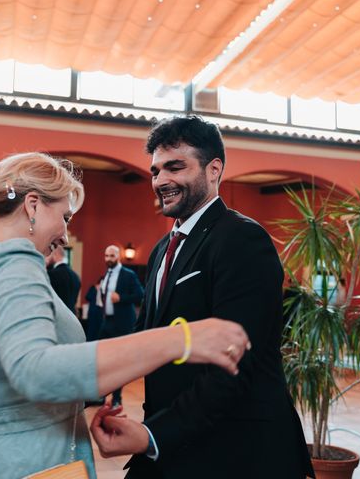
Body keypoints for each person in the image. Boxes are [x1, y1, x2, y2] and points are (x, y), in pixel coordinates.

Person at [0, 152, 250, 479]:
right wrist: (181, 339)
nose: (63, 234)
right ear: (32, 205)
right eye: (65, 217)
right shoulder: (12, 258)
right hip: (19, 463)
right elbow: (36, 369)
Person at [90, 116, 314, 478]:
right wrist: (78, 384)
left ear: (214, 170)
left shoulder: (242, 239)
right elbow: (142, 337)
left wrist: (152, 436)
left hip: (236, 449)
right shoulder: (164, 248)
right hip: (175, 441)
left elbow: (234, 363)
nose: (161, 180)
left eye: (175, 167)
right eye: (155, 170)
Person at [97, 245, 144, 406]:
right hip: (106, 322)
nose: (108, 259)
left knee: (118, 362)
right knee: (102, 360)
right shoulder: (107, 274)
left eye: (111, 256)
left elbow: (140, 294)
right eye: (106, 255)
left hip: (122, 323)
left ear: (118, 257)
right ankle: (101, 396)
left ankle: (117, 398)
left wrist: (121, 298)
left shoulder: (128, 275)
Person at [46, 245, 81, 314]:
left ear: (55, 254)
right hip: (72, 317)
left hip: (56, 317)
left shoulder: (51, 274)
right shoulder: (76, 276)